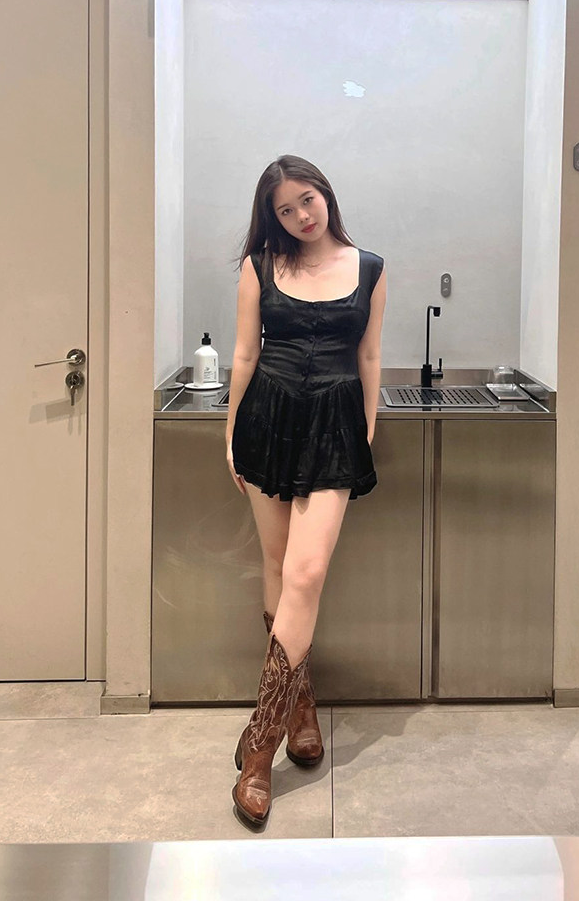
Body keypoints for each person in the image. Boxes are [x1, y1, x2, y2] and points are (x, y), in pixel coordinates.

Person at [225, 154, 386, 828]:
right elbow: (245, 354)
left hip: (334, 427)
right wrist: (230, 433)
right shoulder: (260, 265)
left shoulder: (369, 268)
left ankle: (259, 747)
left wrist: (365, 432)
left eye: (306, 200)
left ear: (326, 193)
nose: (300, 216)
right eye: (285, 210)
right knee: (276, 565)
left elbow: (368, 355)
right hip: (267, 418)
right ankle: (301, 707)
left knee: (306, 571)